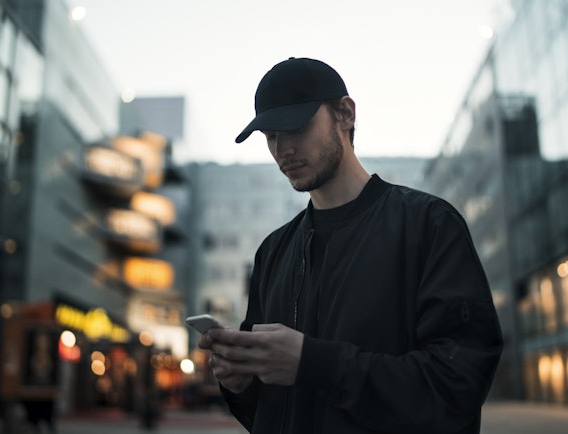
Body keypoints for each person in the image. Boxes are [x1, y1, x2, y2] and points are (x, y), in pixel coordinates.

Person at [198, 57, 503, 434]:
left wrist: (315, 363)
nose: (283, 149)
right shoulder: (273, 252)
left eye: (296, 126)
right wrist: (239, 383)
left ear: (345, 114)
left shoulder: (428, 225)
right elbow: (268, 410)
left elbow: (458, 386)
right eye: (271, 135)